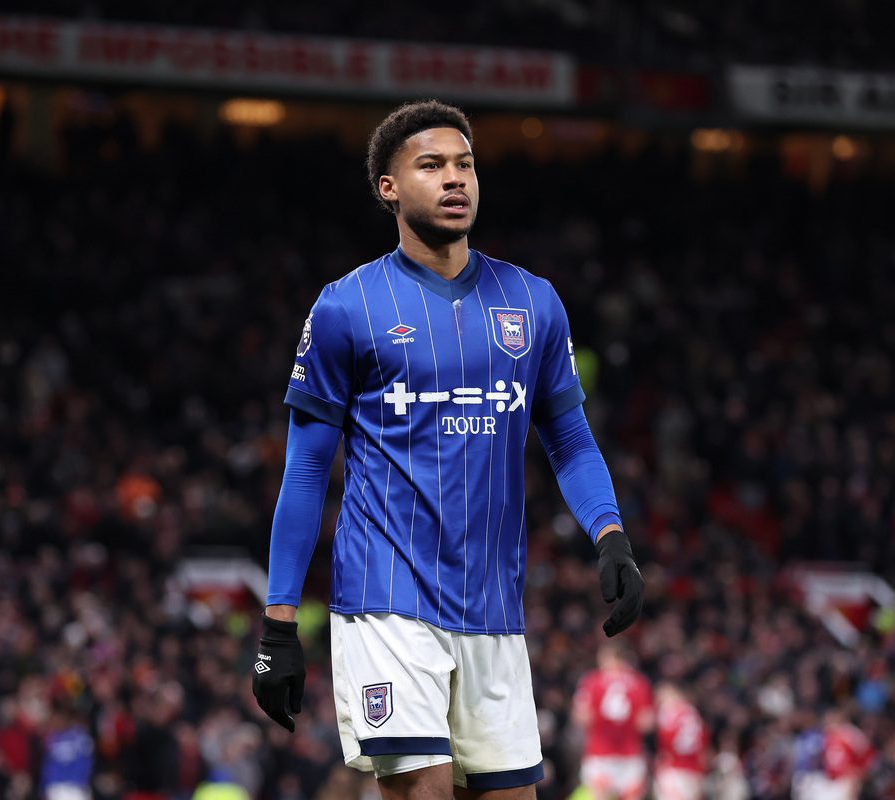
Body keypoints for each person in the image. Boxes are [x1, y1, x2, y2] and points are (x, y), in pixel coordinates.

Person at [249, 99, 644, 800]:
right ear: (389, 188)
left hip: (494, 609)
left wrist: (610, 536)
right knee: (425, 792)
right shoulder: (348, 307)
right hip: (386, 599)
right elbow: (307, 471)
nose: (455, 178)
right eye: (432, 165)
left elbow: (571, 439)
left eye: (465, 164)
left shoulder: (534, 303)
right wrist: (279, 624)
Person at [572, 643, 654, 800]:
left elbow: (581, 717)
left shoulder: (592, 681)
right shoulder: (639, 683)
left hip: (599, 752)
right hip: (630, 753)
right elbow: (646, 722)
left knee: (600, 796)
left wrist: (601, 720)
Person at [652, 682, 707, 800]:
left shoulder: (668, 712)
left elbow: (664, 740)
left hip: (673, 768)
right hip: (694, 769)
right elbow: (703, 741)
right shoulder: (692, 713)